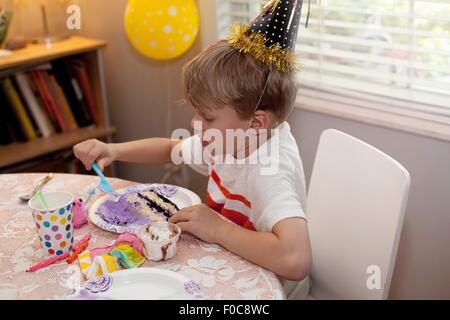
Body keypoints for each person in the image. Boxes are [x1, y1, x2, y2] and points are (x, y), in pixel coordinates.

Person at [73, 0, 311, 299]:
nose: (195, 123)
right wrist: (114, 150)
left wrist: (217, 229)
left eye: (207, 117)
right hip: (229, 262)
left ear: (255, 122)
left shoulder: (268, 170)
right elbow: (171, 149)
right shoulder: (233, 139)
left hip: (267, 291)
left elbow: (296, 260)